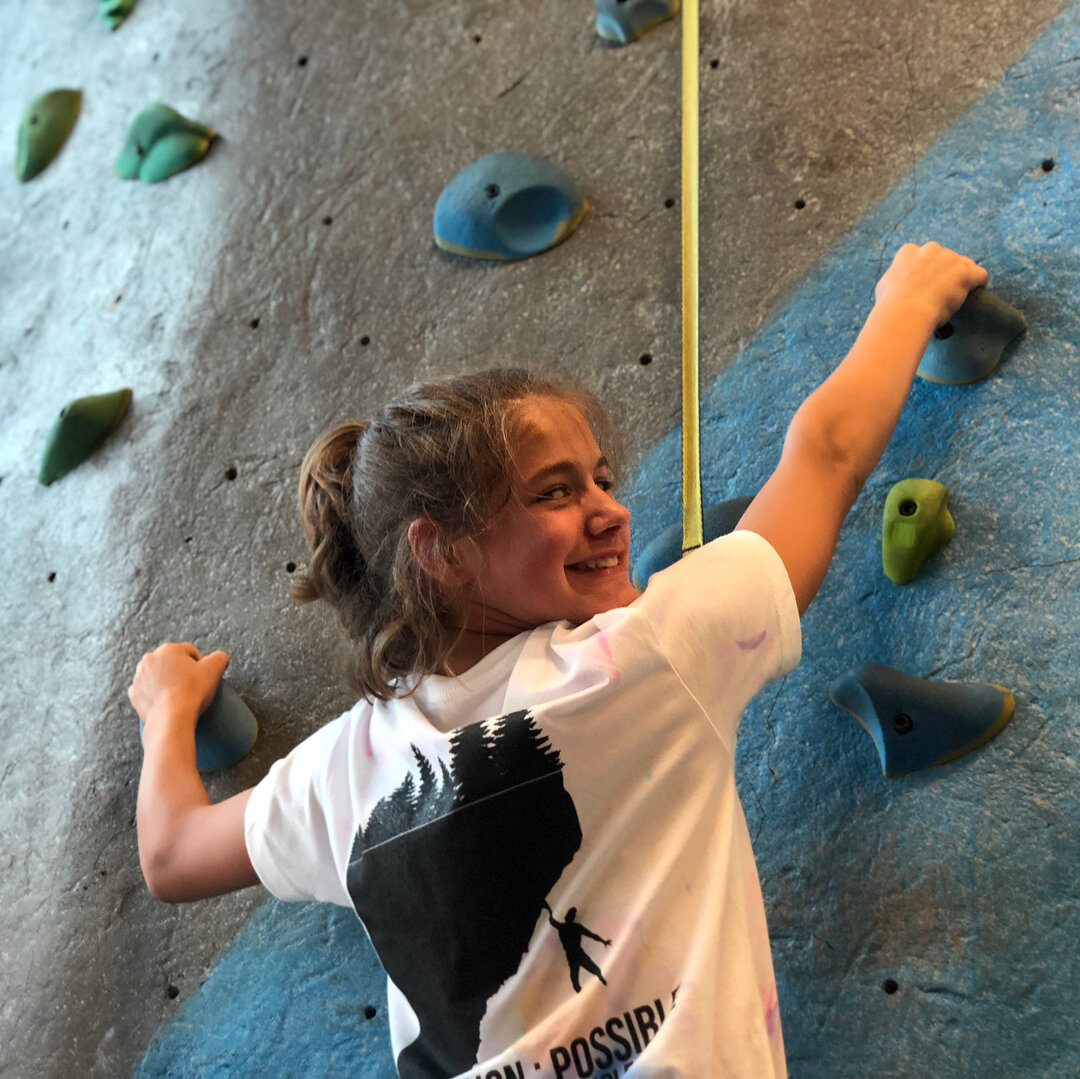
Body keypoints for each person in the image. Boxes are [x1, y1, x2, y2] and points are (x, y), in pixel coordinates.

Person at [130, 242, 988, 1078]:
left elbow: (171, 855)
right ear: (445, 552)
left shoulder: (344, 774)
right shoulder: (643, 657)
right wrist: (906, 304)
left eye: (603, 480)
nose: (610, 511)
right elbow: (827, 457)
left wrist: (166, 713)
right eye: (556, 492)